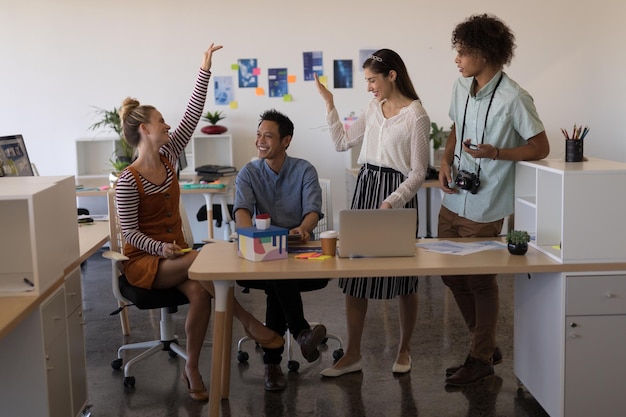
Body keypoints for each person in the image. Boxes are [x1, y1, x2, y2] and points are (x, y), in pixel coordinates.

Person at [115, 44, 283, 402]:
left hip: (177, 255)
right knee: (207, 259)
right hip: (144, 263)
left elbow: (193, 112)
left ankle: (192, 367)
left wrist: (204, 69)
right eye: (161, 121)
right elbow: (128, 233)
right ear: (145, 129)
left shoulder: (170, 153)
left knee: (198, 291)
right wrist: (160, 247)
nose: (169, 124)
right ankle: (249, 323)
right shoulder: (128, 180)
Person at [437, 14, 550, 387]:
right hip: (453, 198)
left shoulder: (514, 97)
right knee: (450, 275)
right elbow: (456, 126)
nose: (457, 59)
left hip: (486, 204)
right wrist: (444, 159)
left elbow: (541, 146)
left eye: (463, 52)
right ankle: (482, 345)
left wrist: (497, 153)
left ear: (484, 53)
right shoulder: (460, 86)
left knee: (480, 281)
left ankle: (480, 357)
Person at [313, 49, 430, 377]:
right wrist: (329, 103)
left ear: (392, 75)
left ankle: (404, 348)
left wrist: (392, 201)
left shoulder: (416, 115)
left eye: (372, 80)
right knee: (356, 275)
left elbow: (419, 172)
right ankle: (352, 354)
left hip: (397, 196)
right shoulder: (372, 108)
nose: (369, 87)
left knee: (405, 278)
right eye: (366, 81)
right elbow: (341, 143)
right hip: (366, 189)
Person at [233, 109, 328, 391]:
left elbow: (312, 211)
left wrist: (303, 229)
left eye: (269, 136)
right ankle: (300, 332)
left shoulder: (304, 169)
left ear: (286, 141)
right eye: (259, 134)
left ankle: (272, 363)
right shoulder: (249, 173)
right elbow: (242, 212)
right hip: (260, 253)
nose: (260, 141)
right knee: (276, 267)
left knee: (279, 271)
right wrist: (250, 236)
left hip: (299, 251)